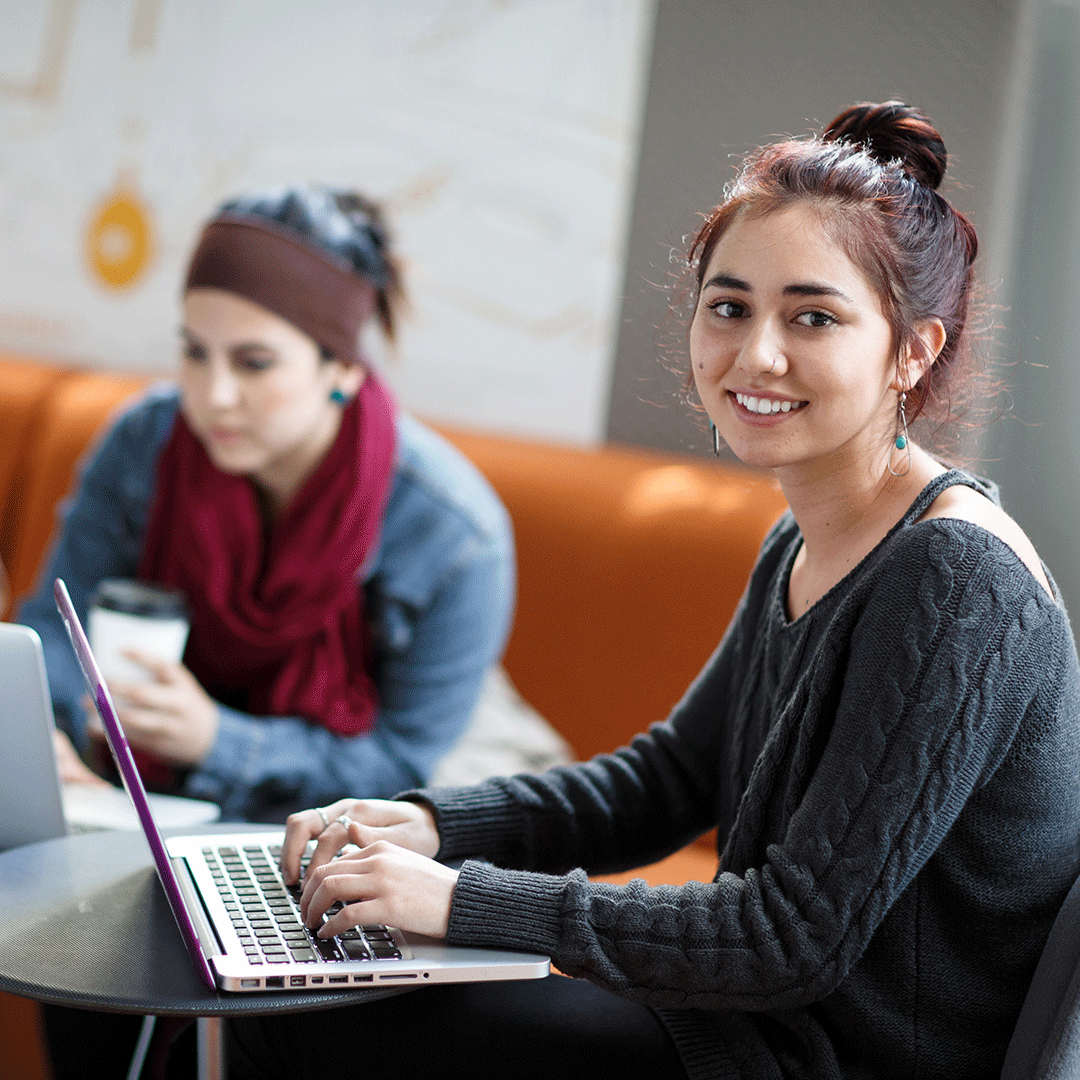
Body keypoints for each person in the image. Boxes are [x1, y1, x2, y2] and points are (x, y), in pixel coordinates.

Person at [227, 103, 1080, 1080]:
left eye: (813, 316)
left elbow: (787, 936)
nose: (755, 355)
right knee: (306, 978)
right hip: (752, 1027)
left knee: (317, 1011)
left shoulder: (955, 585)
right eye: (729, 306)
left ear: (914, 350)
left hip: (825, 1056)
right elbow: (669, 779)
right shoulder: (810, 536)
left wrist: (456, 898)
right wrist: (428, 826)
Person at [18, 186, 516, 823]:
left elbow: (400, 764)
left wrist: (215, 740)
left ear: (341, 371)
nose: (214, 395)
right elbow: (55, 630)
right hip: (151, 790)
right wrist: (48, 738)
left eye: (254, 363)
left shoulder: (455, 536)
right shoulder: (145, 443)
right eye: (195, 353)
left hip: (366, 800)